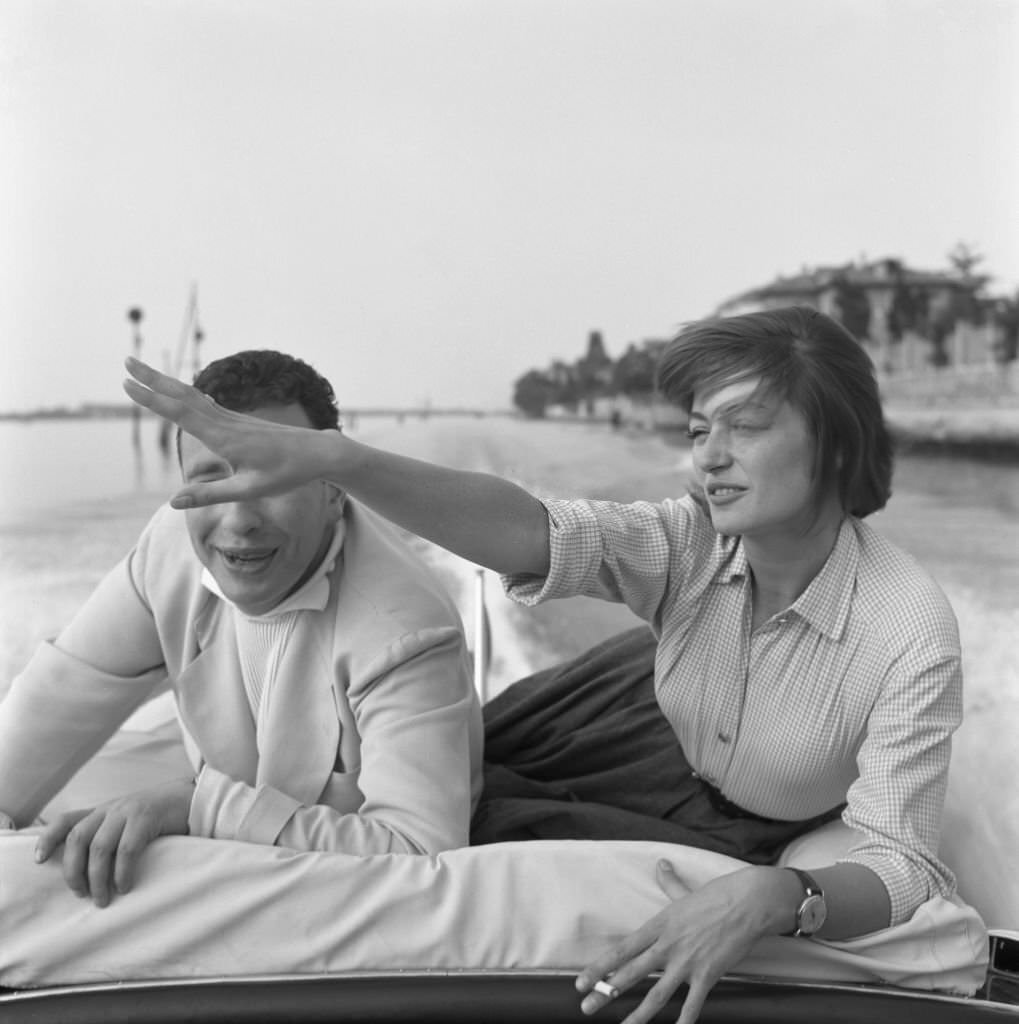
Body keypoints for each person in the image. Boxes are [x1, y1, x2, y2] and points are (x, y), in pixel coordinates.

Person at [121, 308, 963, 1024]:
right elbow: (529, 531)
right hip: (616, 712)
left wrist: (783, 895)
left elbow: (903, 862)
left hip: (739, 817)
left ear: (839, 446)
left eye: (744, 427)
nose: (707, 457)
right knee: (437, 788)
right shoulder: (688, 538)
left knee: (476, 850)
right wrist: (338, 460)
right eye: (700, 430)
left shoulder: (908, 630)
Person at [0, 349, 483, 910]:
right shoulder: (169, 548)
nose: (239, 520)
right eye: (210, 479)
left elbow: (422, 860)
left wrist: (197, 807)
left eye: (272, 479)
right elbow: (58, 698)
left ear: (335, 491)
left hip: (334, 901)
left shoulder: (404, 632)